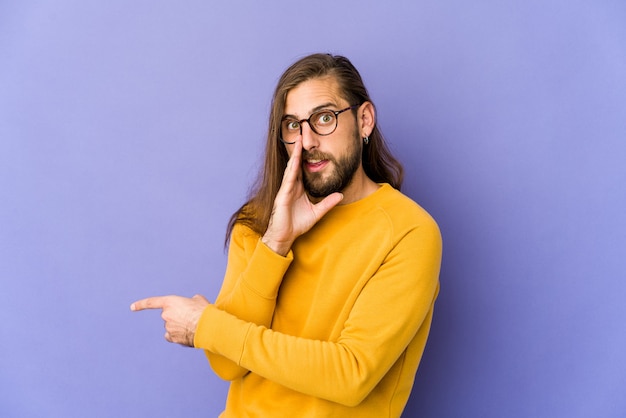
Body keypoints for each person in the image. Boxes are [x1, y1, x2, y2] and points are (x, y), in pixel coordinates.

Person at [131, 53, 442, 417]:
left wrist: (207, 324)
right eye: (292, 125)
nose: (306, 141)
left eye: (324, 118)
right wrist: (275, 244)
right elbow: (227, 365)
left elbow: (351, 375)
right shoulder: (258, 221)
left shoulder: (409, 232)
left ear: (364, 120)